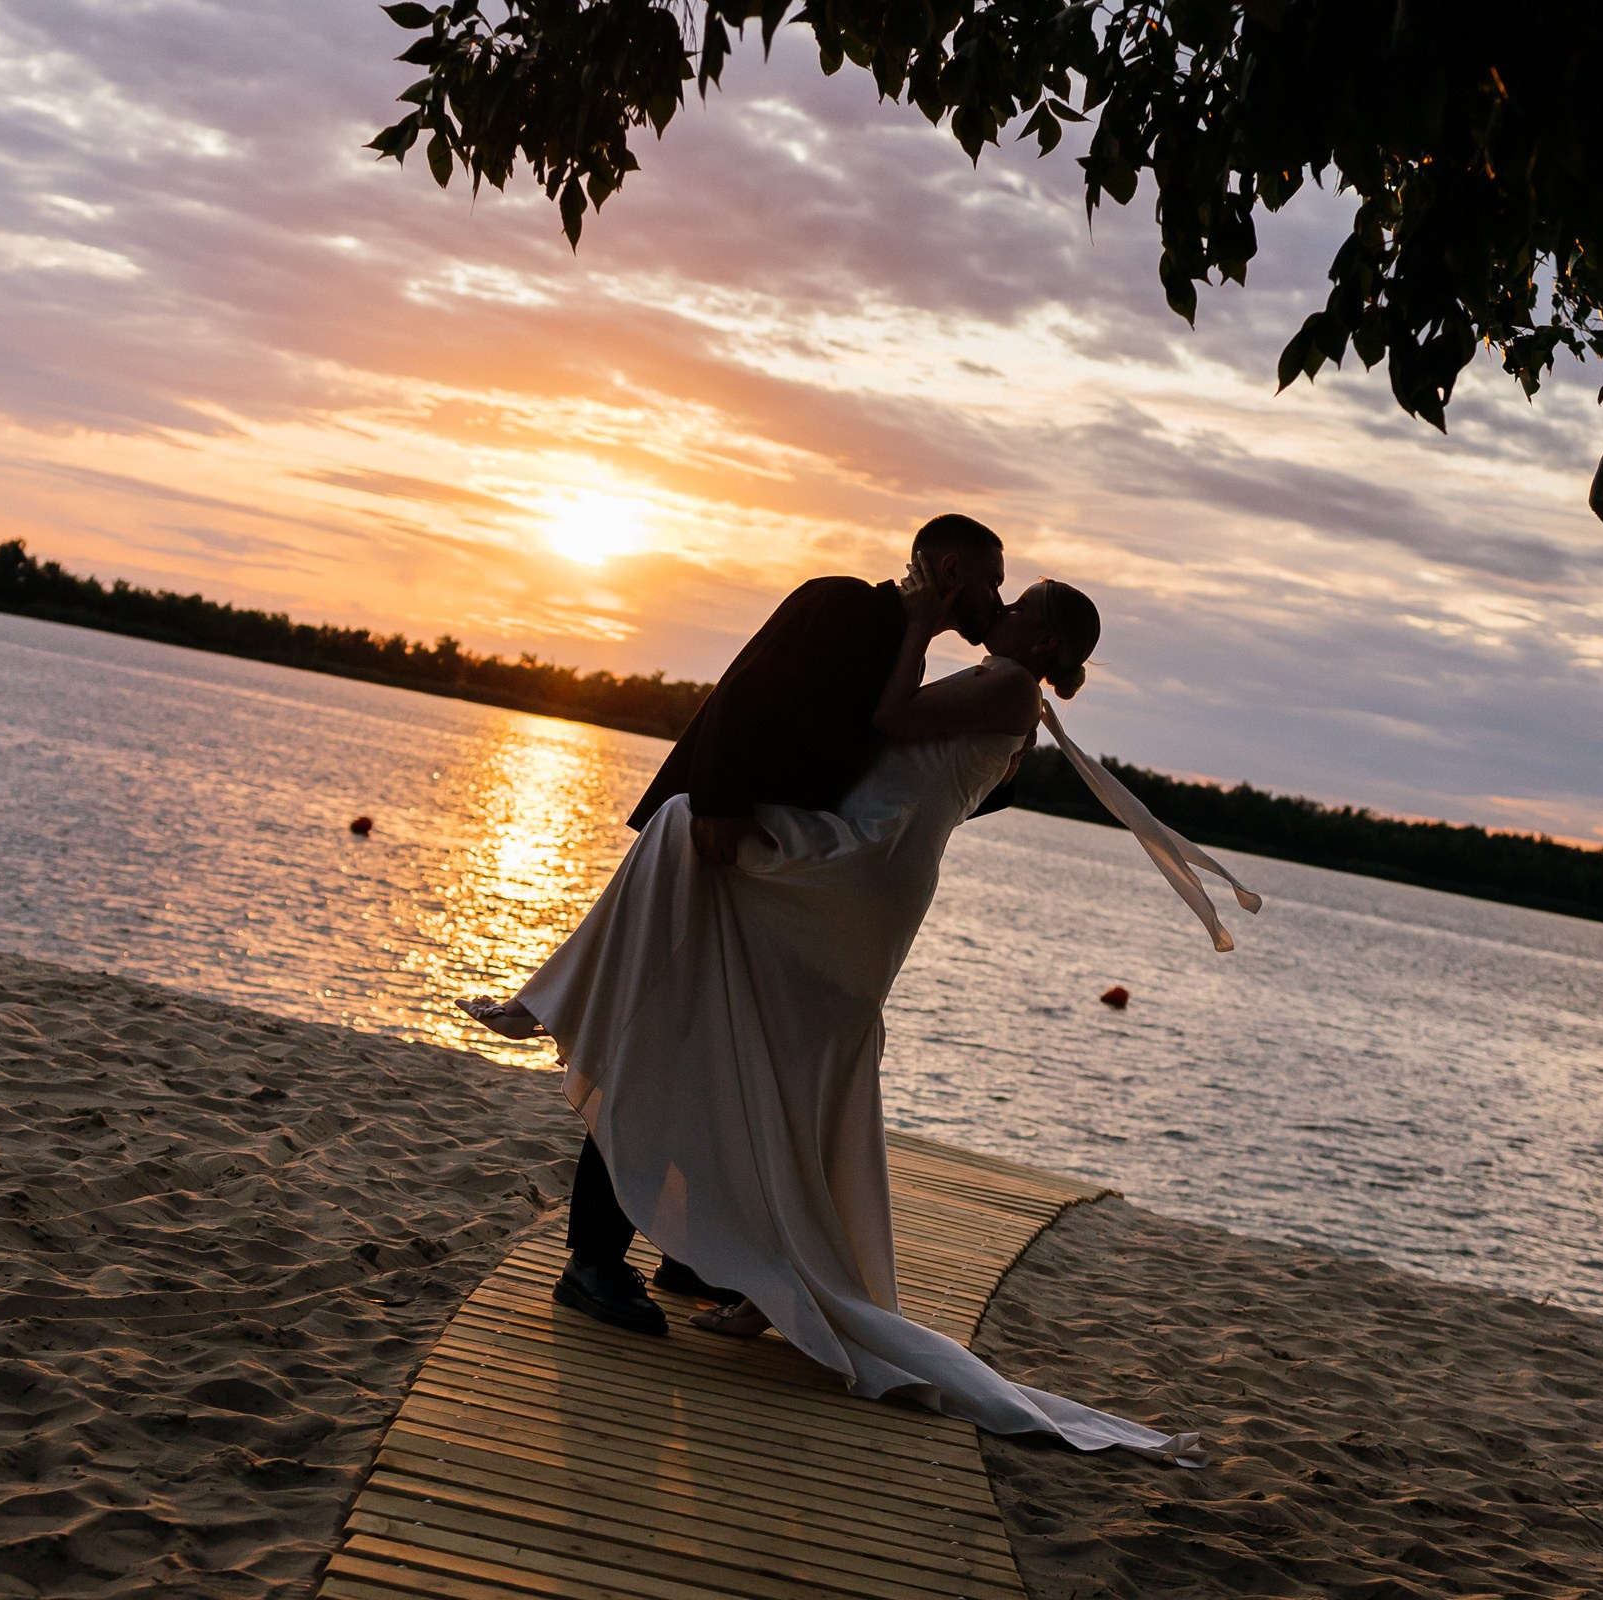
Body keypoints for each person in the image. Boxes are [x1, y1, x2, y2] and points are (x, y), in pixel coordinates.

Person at [470, 566, 1246, 1464]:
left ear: (1044, 645)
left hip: (859, 864)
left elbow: (887, 723)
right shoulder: (1019, 707)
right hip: (880, 874)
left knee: (685, 830)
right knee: (783, 1053)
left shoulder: (1002, 684)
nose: (1003, 608)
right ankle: (740, 1251)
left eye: (1020, 603)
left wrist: (915, 624)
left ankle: (564, 1005)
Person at [463, 514, 1013, 1337]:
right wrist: (717, 802)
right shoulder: (841, 607)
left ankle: (691, 1252)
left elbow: (907, 771)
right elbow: (743, 692)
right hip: (726, 847)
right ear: (946, 568)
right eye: (990, 580)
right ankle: (591, 1263)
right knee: (659, 1046)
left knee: (715, 1060)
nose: (995, 601)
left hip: (777, 873)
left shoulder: (910, 656)